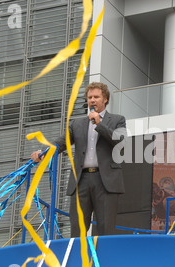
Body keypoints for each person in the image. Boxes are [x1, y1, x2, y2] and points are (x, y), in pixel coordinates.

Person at [31, 82, 126, 237]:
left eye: (96, 97)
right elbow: (61, 143)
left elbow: (120, 142)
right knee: (77, 228)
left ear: (106, 99)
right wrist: (43, 152)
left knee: (105, 228)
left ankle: (103, 260)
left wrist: (99, 124)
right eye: (89, 97)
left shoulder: (117, 120)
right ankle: (79, 260)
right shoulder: (78, 123)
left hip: (106, 182)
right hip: (80, 180)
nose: (92, 100)